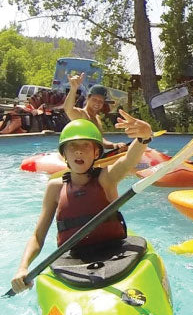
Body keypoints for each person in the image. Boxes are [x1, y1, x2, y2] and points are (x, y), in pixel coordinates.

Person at [10, 112, 153, 294]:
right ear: (64, 155)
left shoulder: (106, 177)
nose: (78, 150)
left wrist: (144, 137)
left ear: (95, 153)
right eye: (72, 147)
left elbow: (128, 161)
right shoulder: (55, 188)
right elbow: (38, 237)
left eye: (85, 145)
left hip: (115, 250)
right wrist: (23, 268)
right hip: (75, 259)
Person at [63, 73, 127, 153]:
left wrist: (114, 145)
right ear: (88, 98)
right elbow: (68, 109)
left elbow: (100, 140)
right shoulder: (82, 114)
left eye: (100, 101)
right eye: (94, 99)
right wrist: (73, 88)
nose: (97, 103)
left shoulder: (97, 118)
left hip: (94, 155)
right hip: (81, 157)